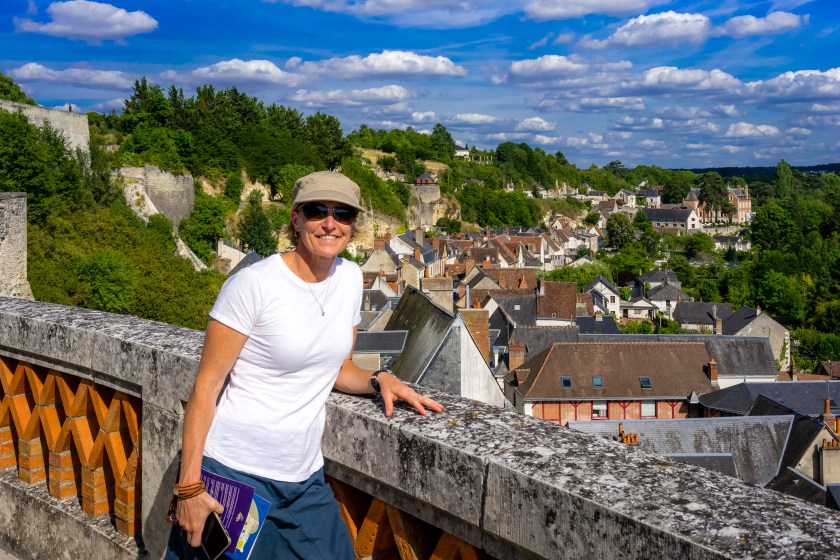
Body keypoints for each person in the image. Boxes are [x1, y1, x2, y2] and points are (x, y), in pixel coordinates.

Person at [166, 171, 444, 559]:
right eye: (317, 210)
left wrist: (379, 379)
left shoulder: (349, 278)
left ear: (353, 225)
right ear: (296, 219)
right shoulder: (253, 285)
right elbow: (206, 388)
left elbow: (336, 367)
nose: (330, 223)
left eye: (343, 214)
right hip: (236, 472)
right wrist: (190, 488)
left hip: (303, 480)